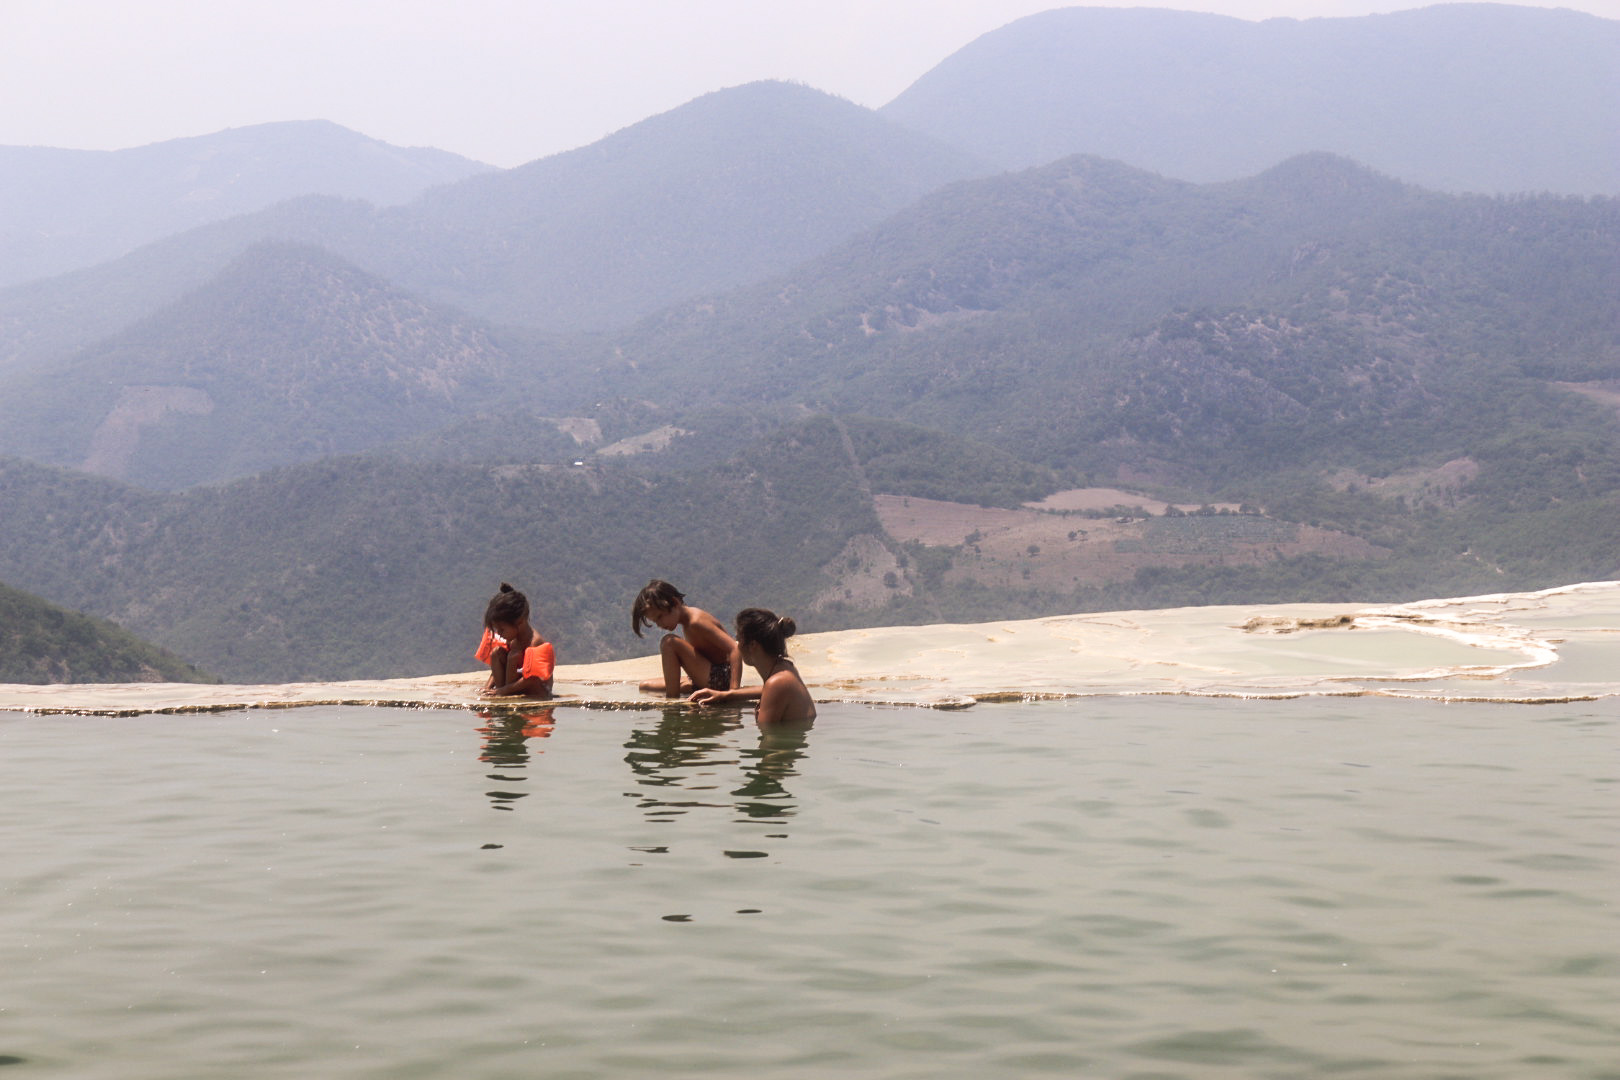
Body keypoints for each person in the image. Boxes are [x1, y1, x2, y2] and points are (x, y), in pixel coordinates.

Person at [689, 608, 816, 724]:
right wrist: (726, 695)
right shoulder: (785, 667)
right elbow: (766, 690)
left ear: (752, 645)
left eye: (739, 639)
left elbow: (767, 742)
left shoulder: (777, 683)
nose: (737, 645)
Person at [631, 579, 740, 699]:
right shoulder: (687, 623)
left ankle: (672, 701)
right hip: (708, 675)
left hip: (720, 679)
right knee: (644, 686)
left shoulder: (696, 621)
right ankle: (681, 692)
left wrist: (733, 691)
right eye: (655, 621)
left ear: (675, 603)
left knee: (669, 643)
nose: (659, 624)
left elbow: (735, 648)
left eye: (660, 617)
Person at [477, 583, 555, 699]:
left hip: (537, 690)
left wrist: (503, 691)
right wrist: (488, 688)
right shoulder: (512, 640)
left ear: (519, 622)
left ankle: (506, 693)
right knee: (496, 653)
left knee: (514, 656)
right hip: (512, 686)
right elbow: (495, 672)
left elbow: (532, 679)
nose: (499, 634)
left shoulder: (535, 643)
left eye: (502, 629)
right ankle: (504, 693)